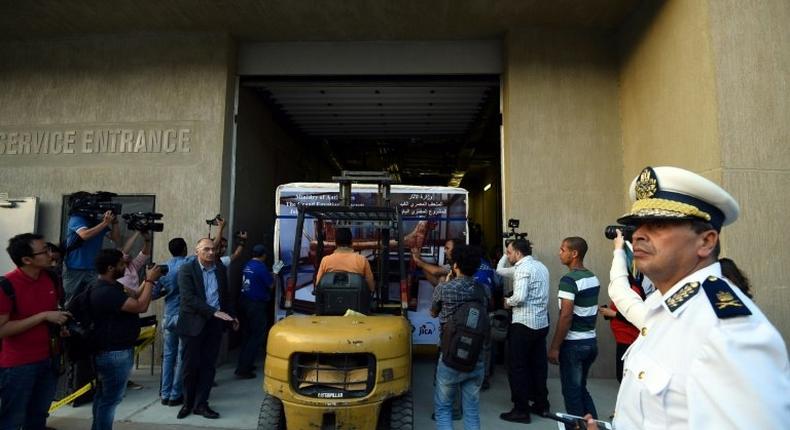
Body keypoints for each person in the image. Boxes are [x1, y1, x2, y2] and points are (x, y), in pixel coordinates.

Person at [585, 166, 790, 429]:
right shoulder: (664, 306)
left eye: (658, 224)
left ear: (706, 242)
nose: (637, 235)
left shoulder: (728, 333)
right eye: (636, 225)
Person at [0, 233, 70, 430]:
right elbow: (2, 329)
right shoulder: (7, 285)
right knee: (12, 419)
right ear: (26, 260)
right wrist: (43, 316)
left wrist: (59, 325)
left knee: (38, 416)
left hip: (49, 360)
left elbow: (52, 311)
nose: (51, 255)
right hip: (18, 366)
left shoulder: (50, 278)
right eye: (44, 251)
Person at [89, 248, 163, 430]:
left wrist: (149, 281)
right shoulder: (106, 292)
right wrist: (150, 280)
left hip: (115, 351)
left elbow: (136, 295)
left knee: (103, 396)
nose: (126, 267)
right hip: (114, 353)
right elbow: (140, 306)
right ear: (110, 268)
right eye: (122, 264)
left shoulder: (113, 286)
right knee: (110, 400)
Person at [175, 238, 238, 420]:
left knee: (208, 366)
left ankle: (201, 404)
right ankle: (188, 403)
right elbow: (189, 299)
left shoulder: (220, 269)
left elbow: (225, 297)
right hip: (193, 325)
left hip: (214, 326)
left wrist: (232, 315)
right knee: (189, 367)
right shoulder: (187, 269)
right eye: (207, 249)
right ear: (197, 251)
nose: (211, 252)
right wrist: (213, 312)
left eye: (213, 249)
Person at [430, 244, 487, 430]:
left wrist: (446, 282)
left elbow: (433, 313)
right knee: (471, 410)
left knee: (444, 408)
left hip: (449, 356)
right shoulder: (482, 290)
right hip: (475, 357)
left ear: (455, 266)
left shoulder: (444, 289)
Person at [548, 237, 600, 426]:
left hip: (574, 346)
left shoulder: (568, 281)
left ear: (574, 253)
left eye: (563, 250)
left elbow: (566, 317)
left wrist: (554, 347)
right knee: (581, 390)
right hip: (590, 343)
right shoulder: (592, 277)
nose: (559, 253)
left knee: (572, 395)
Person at [500, 238, 551, 424]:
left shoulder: (522, 269)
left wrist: (508, 302)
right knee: (538, 366)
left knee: (517, 368)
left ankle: (521, 410)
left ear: (518, 253)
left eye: (509, 252)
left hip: (523, 325)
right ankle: (541, 404)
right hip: (541, 324)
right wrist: (505, 255)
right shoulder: (541, 267)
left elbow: (519, 297)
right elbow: (500, 270)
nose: (507, 255)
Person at [153, 237, 190, 407]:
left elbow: (154, 294)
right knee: (181, 356)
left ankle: (165, 393)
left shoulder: (163, 269)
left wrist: (166, 290)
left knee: (168, 356)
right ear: (184, 249)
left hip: (169, 314)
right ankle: (176, 394)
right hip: (182, 315)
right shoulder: (188, 263)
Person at [63, 192, 120, 299]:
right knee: (73, 300)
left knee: (94, 298)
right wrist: (104, 223)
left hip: (94, 268)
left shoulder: (95, 221)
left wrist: (115, 222)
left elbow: (115, 238)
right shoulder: (76, 218)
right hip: (75, 267)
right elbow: (84, 235)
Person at [235, 244, 274, 379]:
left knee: (247, 335)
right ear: (264, 255)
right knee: (256, 336)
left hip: (244, 302)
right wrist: (274, 274)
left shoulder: (248, 265)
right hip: (256, 304)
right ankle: (244, 368)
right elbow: (271, 285)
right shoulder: (262, 268)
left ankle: (243, 364)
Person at [315, 228, 375, 292]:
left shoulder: (325, 260)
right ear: (351, 242)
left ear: (335, 243)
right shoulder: (362, 260)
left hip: (331, 300)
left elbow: (318, 285)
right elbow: (371, 287)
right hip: (356, 301)